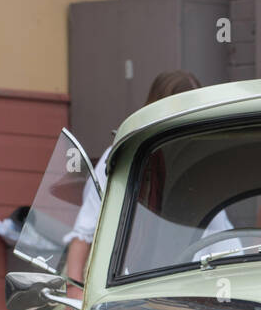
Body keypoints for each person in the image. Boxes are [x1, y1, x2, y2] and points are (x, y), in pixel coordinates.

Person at [63, 70, 211, 297]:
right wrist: (74, 289)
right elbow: (84, 232)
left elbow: (220, 236)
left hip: (181, 289)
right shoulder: (121, 158)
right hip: (117, 288)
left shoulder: (198, 166)